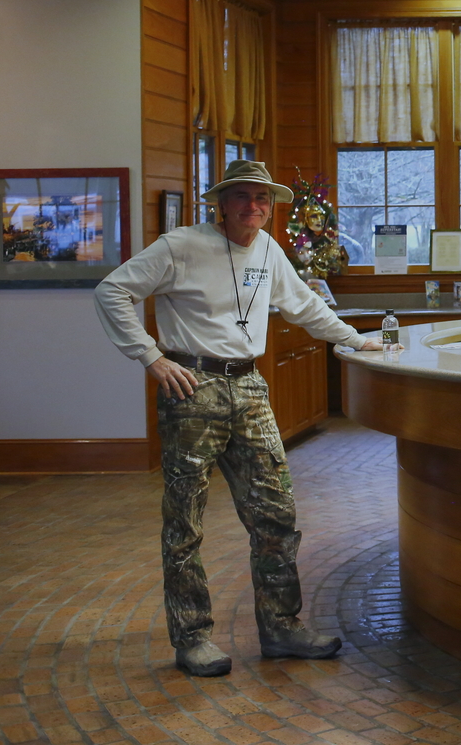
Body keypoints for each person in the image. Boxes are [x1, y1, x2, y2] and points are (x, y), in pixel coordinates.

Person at [93, 160, 387, 678]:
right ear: (221, 203)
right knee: (185, 521)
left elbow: (303, 306)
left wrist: (353, 338)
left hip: (249, 386)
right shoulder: (180, 245)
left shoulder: (269, 250)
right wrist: (150, 356)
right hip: (192, 385)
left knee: (276, 515)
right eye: (244, 197)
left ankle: (281, 628)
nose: (254, 207)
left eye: (263, 199)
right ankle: (192, 637)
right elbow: (112, 291)